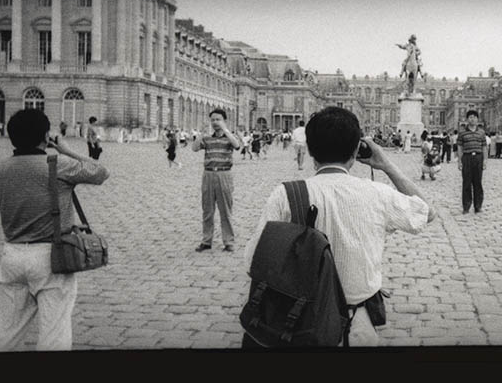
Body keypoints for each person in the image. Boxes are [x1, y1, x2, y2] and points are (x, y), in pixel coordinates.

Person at [242, 106, 435, 347]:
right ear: (357, 150)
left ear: (310, 149)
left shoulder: (285, 195)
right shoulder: (377, 194)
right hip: (357, 326)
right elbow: (428, 213)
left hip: (298, 324)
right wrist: (386, 165)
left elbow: (252, 260)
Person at [0, 108, 109, 350]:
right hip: (52, 258)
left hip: (12, 257)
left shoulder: (1, 169)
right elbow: (101, 172)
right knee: (54, 334)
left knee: (6, 335)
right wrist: (66, 150)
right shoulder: (58, 164)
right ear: (46, 136)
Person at [193, 109, 242, 253]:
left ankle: (229, 241)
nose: (215, 122)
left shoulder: (229, 137)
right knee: (207, 210)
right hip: (208, 175)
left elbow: (237, 145)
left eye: (218, 119)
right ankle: (206, 241)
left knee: (225, 210)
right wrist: (201, 134)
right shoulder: (207, 138)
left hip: (224, 175)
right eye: (213, 120)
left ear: (224, 120)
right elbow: (194, 148)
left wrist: (226, 130)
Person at [457, 110, 487, 214]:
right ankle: (466, 206)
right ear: (467, 119)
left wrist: (485, 161)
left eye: (474, 117)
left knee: (478, 183)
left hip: (478, 158)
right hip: (467, 158)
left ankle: (478, 206)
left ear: (477, 119)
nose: (472, 119)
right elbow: (460, 147)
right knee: (466, 183)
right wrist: (459, 161)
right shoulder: (462, 132)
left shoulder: (482, 132)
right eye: (470, 117)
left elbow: (484, 147)